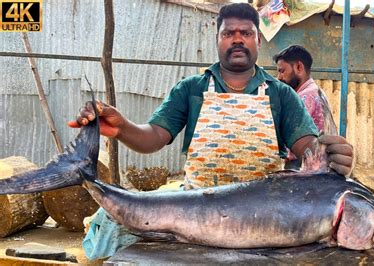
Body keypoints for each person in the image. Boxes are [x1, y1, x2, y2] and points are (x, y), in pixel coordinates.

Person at [69, 3, 353, 260]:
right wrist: (122, 128)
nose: (238, 39)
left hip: (263, 222)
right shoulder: (191, 88)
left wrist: (330, 152)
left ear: (257, 40)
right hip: (194, 215)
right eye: (229, 33)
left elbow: (308, 146)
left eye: (247, 32)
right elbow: (154, 136)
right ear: (217, 39)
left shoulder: (281, 95)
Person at [273, 45, 338, 170]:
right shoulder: (315, 91)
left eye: (282, 71)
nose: (279, 77)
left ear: (299, 67)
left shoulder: (304, 97)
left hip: (302, 167)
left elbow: (289, 144)